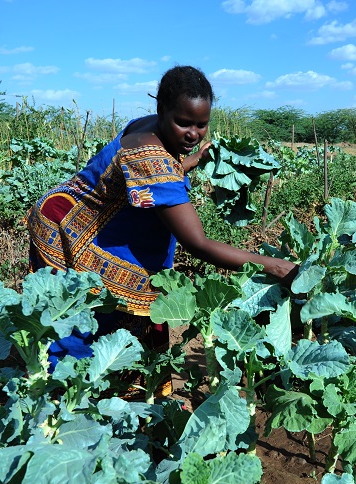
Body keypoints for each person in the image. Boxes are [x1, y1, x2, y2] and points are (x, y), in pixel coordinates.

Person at [26, 65, 297, 365]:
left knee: (111, 312)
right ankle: (58, 391)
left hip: (78, 214)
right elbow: (197, 243)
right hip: (67, 230)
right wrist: (275, 267)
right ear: (161, 109)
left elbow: (142, 178)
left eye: (201, 124)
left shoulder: (150, 125)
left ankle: (123, 386)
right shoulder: (152, 158)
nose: (193, 134)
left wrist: (190, 162)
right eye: (183, 123)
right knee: (77, 315)